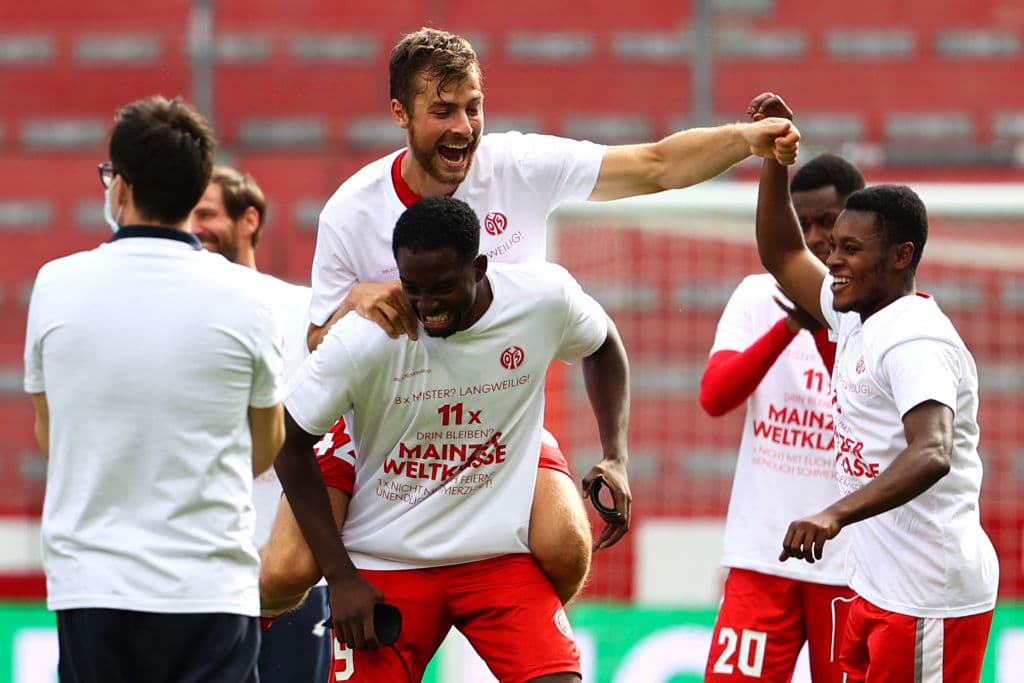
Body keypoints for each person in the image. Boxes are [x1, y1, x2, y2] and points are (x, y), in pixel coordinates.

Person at [271, 26, 801, 608]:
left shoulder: (520, 165)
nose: (463, 128)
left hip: (495, 417)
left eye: (473, 108)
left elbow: (655, 165)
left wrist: (746, 139)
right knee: (286, 571)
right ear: (400, 112)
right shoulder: (352, 209)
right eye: (442, 111)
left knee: (565, 545)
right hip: (382, 420)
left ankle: (526, 636)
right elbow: (317, 342)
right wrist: (353, 302)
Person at [275, 195, 629, 681]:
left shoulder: (544, 300)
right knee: (282, 572)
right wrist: (339, 576)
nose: (426, 307)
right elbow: (287, 439)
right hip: (387, 562)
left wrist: (615, 455)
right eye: (412, 288)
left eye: (441, 288)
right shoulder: (367, 339)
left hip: (496, 559)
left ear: (480, 267)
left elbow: (604, 342)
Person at [23, 96, 285, 683]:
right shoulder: (249, 297)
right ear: (197, 194)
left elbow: (50, 433)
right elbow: (264, 445)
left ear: (120, 186)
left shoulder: (56, 284)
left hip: (94, 583)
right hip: (211, 586)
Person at [751, 93, 998, 682]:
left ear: (901, 256)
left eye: (851, 250)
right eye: (834, 246)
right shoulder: (855, 316)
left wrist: (833, 515)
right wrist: (771, 160)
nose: (832, 260)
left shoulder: (915, 339)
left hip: (925, 598)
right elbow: (782, 252)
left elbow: (933, 452)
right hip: (877, 587)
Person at [700, 153, 864, 682]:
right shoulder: (756, 295)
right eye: (803, 223)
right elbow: (715, 397)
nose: (816, 237)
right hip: (761, 557)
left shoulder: (881, 312)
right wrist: (790, 325)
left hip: (849, 566)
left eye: (829, 221)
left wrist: (821, 319)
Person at [190, 165, 332, 683]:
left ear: (249, 219)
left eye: (206, 213)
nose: (194, 227)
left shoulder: (302, 311)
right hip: (199, 577)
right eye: (186, 215)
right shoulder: (178, 318)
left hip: (290, 583)